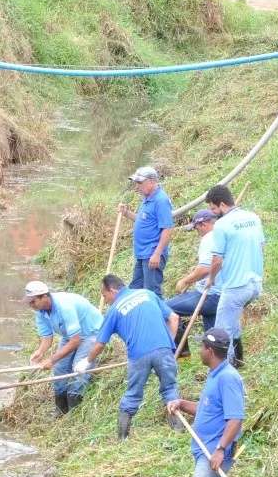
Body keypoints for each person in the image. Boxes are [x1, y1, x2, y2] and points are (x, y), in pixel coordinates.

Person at [165, 328, 245, 477]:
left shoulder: (228, 378)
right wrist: (181, 403)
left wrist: (220, 450)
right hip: (205, 448)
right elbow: (207, 409)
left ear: (209, 351)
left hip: (214, 450)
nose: (199, 350)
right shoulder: (216, 374)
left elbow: (235, 418)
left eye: (201, 347)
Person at [80, 274, 181, 439]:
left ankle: (122, 439)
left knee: (133, 394)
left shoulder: (113, 311)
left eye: (105, 296)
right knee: (170, 390)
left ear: (112, 290)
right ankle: (177, 433)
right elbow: (174, 318)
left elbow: (99, 344)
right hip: (164, 350)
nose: (106, 301)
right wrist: (168, 346)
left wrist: (86, 362)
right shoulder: (148, 293)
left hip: (139, 356)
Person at [206, 185, 265, 368]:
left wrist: (210, 279)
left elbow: (217, 260)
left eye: (214, 209)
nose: (214, 214)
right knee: (232, 319)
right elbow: (262, 248)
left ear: (222, 204)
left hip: (236, 287)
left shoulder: (222, 225)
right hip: (255, 284)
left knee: (222, 331)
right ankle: (239, 359)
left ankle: (227, 368)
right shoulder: (253, 218)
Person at [24, 280, 102, 417]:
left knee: (78, 369)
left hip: (90, 333)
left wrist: (52, 360)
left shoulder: (64, 307)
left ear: (45, 297)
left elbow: (75, 341)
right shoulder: (40, 311)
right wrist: (40, 352)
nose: (31, 305)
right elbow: (47, 336)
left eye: (33, 301)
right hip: (69, 334)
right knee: (60, 370)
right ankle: (60, 411)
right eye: (29, 302)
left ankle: (74, 412)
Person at [166, 208, 221, 357]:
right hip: (223, 291)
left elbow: (204, 269)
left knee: (167, 309)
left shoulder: (208, 239)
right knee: (210, 316)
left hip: (210, 293)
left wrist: (185, 280)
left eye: (196, 228)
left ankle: (182, 354)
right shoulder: (222, 234)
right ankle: (213, 347)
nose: (197, 232)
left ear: (203, 224)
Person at [117, 166, 174, 296]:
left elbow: (168, 228)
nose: (136, 186)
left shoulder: (160, 200)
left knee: (151, 293)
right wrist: (127, 213)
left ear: (152, 181)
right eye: (136, 182)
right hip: (142, 254)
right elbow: (144, 220)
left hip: (152, 254)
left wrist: (157, 253)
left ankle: (160, 316)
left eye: (139, 182)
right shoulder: (147, 197)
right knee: (135, 290)